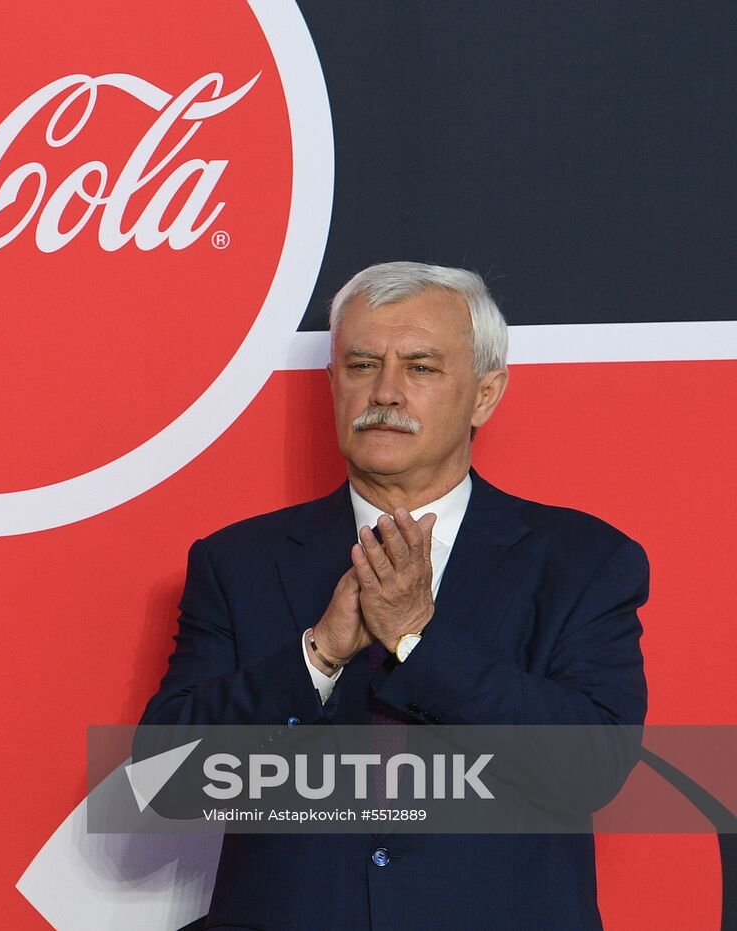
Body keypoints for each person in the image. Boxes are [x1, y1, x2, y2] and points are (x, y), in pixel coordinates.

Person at [140, 262, 647, 930]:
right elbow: (164, 783)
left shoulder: (584, 561)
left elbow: (592, 768)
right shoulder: (236, 562)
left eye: (421, 367)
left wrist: (417, 641)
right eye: (360, 364)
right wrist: (316, 658)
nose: (385, 391)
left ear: (485, 394)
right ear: (331, 384)